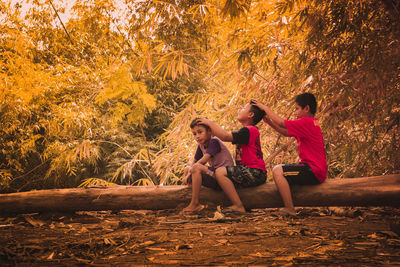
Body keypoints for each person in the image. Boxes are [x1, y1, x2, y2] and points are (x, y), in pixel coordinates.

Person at [253, 93, 327, 216]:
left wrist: (265, 108)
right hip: (313, 169)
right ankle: (289, 206)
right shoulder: (311, 123)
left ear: (307, 108)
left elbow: (282, 123)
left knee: (278, 171)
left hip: (313, 170)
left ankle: (289, 208)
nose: (295, 112)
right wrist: (270, 123)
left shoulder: (306, 122)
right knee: (281, 171)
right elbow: (286, 132)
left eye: (297, 109)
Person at [198, 102, 267, 214]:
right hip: (250, 172)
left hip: (255, 172)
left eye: (244, 108)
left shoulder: (249, 130)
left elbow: (225, 136)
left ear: (250, 115)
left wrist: (210, 123)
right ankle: (240, 203)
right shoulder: (247, 131)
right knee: (222, 176)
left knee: (220, 172)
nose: (240, 109)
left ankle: (238, 206)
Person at [182, 118, 234, 213]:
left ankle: (195, 203)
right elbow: (194, 161)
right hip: (213, 175)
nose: (197, 136)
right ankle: (189, 197)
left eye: (200, 132)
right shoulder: (200, 145)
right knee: (187, 168)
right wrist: (188, 172)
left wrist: (189, 174)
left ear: (209, 131)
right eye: (194, 134)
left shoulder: (214, 141)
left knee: (195, 168)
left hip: (224, 178)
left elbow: (203, 161)